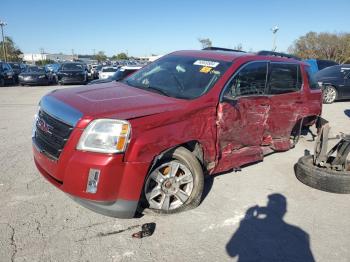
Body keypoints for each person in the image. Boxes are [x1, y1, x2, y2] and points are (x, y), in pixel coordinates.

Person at [226, 193, 315, 262]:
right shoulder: (299, 233)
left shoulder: (251, 227)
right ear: (284, 211)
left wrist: (246, 221)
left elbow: (231, 250)